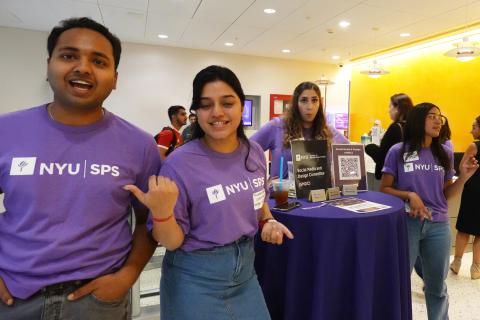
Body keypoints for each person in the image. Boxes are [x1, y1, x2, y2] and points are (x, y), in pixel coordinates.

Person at [0, 17, 160, 319]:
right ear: (49, 66)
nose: (83, 67)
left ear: (114, 78)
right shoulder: (6, 131)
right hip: (13, 298)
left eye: (99, 61)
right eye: (69, 55)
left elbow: (146, 223)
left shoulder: (139, 145)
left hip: (98, 301)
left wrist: (127, 276)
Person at [125, 65, 294, 320]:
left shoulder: (255, 152)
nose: (217, 113)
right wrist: (161, 213)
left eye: (227, 103)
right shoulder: (179, 164)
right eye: (205, 105)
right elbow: (171, 242)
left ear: (240, 106)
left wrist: (267, 220)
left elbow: (258, 200)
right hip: (195, 280)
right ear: (196, 112)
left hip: (246, 275)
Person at [380, 103, 479, 319]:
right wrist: (410, 195)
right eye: (431, 116)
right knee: (399, 282)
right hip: (407, 223)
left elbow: (445, 194)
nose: (437, 121)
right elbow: (385, 189)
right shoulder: (398, 151)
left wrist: (463, 177)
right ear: (417, 120)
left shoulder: (444, 152)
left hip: (438, 225)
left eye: (439, 117)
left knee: (437, 285)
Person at [251, 81, 349, 179]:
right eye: (304, 100)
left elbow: (350, 154)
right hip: (282, 193)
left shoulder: (327, 131)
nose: (310, 107)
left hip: (319, 193)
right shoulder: (277, 126)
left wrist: (335, 177)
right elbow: (244, 151)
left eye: (314, 100)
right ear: (296, 104)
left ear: (319, 104)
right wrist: (260, 183)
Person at [450, 115, 480, 279]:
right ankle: (476, 269)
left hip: (473, 190)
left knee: (464, 228)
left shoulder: (474, 145)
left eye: (474, 126)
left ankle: (457, 263)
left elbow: (462, 167)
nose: (471, 130)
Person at [365, 93, 414, 181]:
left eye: (390, 106)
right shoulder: (413, 127)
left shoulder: (395, 128)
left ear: (397, 108)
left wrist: (369, 146)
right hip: (408, 175)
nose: (388, 110)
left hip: (392, 179)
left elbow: (382, 157)